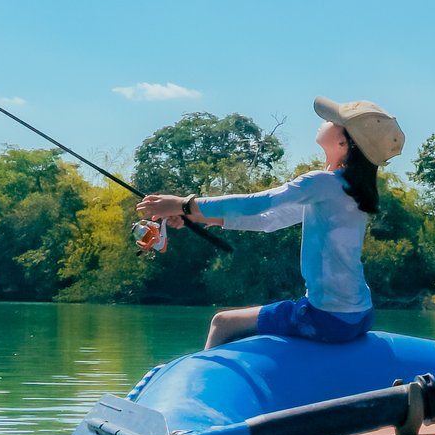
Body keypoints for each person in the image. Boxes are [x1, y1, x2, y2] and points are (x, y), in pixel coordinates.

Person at [138, 96, 404, 348]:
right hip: (362, 314)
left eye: (333, 121)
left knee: (222, 323)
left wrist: (184, 204)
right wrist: (196, 215)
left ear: (344, 144)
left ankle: (199, 378)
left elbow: (260, 203)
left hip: (327, 316)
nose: (325, 121)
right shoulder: (352, 190)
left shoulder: (320, 183)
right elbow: (270, 220)